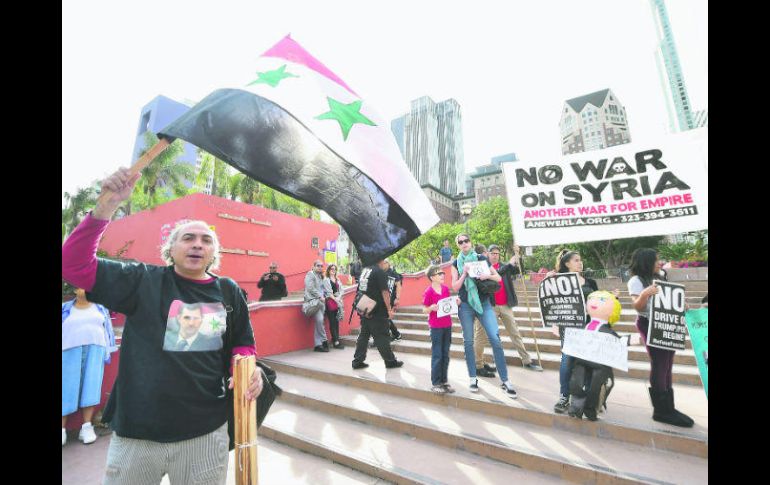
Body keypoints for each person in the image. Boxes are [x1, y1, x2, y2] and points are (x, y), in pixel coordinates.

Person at [61, 167, 263, 485]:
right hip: (138, 435)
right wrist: (106, 207)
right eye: (188, 238)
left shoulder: (228, 291)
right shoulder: (142, 280)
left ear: (214, 252)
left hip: (205, 434)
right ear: (171, 250)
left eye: (205, 240)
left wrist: (249, 369)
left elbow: (242, 342)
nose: (197, 244)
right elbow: (73, 265)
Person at [628, 248, 694, 428]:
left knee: (668, 364)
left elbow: (668, 299)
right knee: (659, 364)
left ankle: (668, 407)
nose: (660, 262)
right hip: (649, 324)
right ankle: (660, 410)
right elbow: (638, 307)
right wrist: (645, 293)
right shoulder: (636, 280)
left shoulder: (661, 275)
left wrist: (681, 304)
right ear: (646, 262)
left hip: (667, 324)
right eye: (656, 260)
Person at [450, 233, 518, 396]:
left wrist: (486, 275)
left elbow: (498, 278)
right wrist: (465, 274)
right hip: (466, 305)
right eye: (461, 242)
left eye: (466, 240)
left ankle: (505, 380)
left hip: (485, 303)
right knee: (468, 341)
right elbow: (455, 287)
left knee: (495, 339)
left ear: (470, 242)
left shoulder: (481, 258)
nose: (464, 243)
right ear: (458, 245)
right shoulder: (455, 263)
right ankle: (473, 378)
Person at [567, 291, 640, 421]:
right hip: (582, 359)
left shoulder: (607, 330)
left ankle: (591, 408)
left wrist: (630, 340)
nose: (594, 303)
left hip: (600, 364)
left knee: (598, 384)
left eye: (601, 300)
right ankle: (576, 407)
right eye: (592, 299)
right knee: (576, 382)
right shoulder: (585, 326)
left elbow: (617, 341)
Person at [62, 285, 118, 446]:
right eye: (81, 287)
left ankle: (86, 428)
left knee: (91, 387)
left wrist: (108, 350)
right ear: (74, 290)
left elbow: (108, 331)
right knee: (66, 388)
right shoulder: (65, 308)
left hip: (96, 349)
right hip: (68, 350)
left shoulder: (100, 308)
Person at [549, 249, 599, 414]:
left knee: (587, 361)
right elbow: (551, 303)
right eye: (576, 260)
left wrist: (611, 299)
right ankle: (564, 396)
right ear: (567, 263)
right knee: (567, 360)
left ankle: (584, 398)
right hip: (568, 326)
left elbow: (598, 302)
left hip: (588, 326)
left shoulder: (590, 282)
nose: (580, 262)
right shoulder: (559, 281)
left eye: (580, 260)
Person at [486, 245, 543, 372]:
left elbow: (519, 270)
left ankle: (527, 361)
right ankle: (497, 361)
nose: (495, 255)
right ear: (488, 254)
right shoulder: (485, 268)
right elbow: (499, 272)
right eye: (493, 253)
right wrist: (509, 263)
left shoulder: (506, 266)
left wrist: (518, 256)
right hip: (492, 306)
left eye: (497, 253)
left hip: (506, 305)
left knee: (515, 333)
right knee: (494, 336)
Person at [351, 260, 403, 370]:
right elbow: (385, 292)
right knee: (382, 336)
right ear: (380, 260)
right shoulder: (379, 272)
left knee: (363, 336)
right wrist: (389, 309)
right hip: (377, 310)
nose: (385, 262)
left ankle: (357, 361)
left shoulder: (366, 270)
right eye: (384, 260)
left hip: (365, 308)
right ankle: (390, 361)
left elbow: (360, 289)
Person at [422, 265, 458, 394]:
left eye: (442, 273)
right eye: (439, 273)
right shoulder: (429, 291)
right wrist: (431, 308)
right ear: (432, 277)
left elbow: (448, 305)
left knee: (445, 354)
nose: (442, 275)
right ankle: (436, 383)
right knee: (437, 354)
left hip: (447, 325)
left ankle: (444, 381)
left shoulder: (445, 289)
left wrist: (456, 303)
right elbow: (424, 309)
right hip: (435, 327)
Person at [470, 244, 497, 378]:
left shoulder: (477, 265)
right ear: (484, 253)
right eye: (487, 252)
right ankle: (478, 366)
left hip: (482, 303)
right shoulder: (478, 266)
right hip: (481, 305)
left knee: (481, 334)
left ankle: (480, 361)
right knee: (480, 335)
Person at [304, 260, 329, 352]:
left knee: (319, 323)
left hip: (321, 302)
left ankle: (318, 345)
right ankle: (324, 340)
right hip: (314, 302)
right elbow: (310, 288)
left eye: (321, 266)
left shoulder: (321, 276)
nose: (320, 267)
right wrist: (320, 296)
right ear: (313, 266)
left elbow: (324, 288)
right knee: (319, 320)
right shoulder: (310, 274)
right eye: (318, 266)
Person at [323, 264, 345, 349]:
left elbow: (342, 290)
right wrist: (336, 299)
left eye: (335, 269)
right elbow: (328, 293)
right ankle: (336, 342)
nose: (333, 270)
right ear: (328, 270)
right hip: (330, 302)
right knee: (332, 322)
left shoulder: (337, 279)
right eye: (332, 269)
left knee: (337, 321)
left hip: (337, 302)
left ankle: (336, 339)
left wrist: (339, 297)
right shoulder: (326, 280)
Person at [384, 259, 403, 341]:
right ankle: (396, 334)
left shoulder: (393, 273)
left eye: (384, 263)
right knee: (385, 317)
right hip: (381, 299)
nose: (382, 264)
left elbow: (399, 286)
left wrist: (397, 298)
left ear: (388, 263)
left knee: (386, 317)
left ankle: (392, 335)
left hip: (390, 299)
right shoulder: (380, 272)